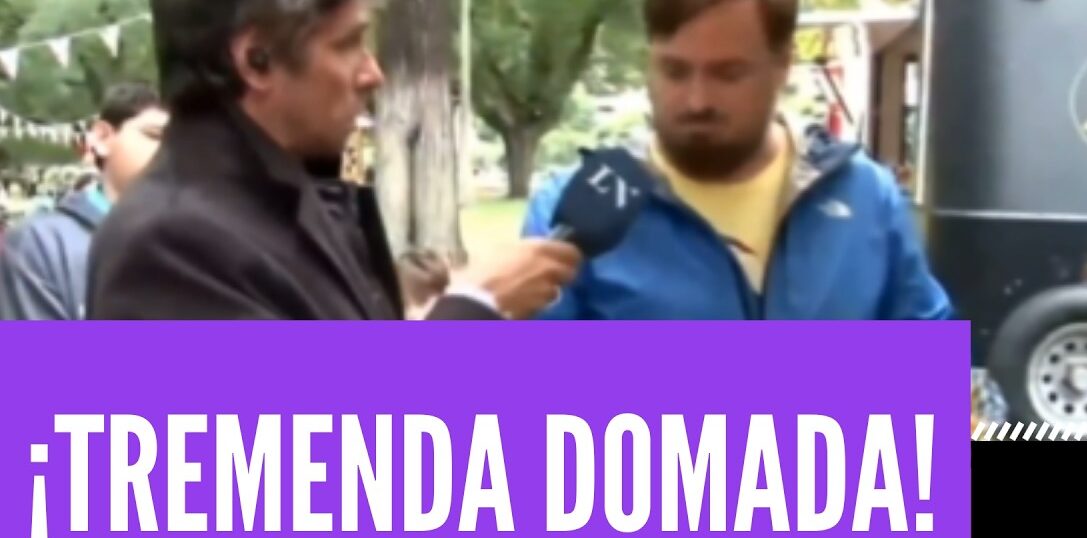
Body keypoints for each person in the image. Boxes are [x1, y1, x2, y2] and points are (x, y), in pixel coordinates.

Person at [88, 0, 579, 320]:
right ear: (257, 61)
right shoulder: (172, 245)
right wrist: (474, 307)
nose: (373, 73)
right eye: (348, 44)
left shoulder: (286, 200)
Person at [523, 0, 952, 320]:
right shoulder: (572, 210)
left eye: (728, 74)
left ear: (782, 66)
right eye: (675, 71)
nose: (697, 100)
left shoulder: (867, 198)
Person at [0, 83, 168, 320]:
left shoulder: (206, 244)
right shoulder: (42, 245)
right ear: (102, 138)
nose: (174, 152)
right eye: (156, 135)